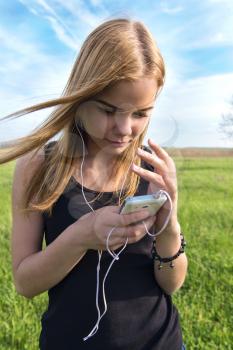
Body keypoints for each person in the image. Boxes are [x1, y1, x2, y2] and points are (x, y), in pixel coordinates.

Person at [0, 17, 188, 349]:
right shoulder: (38, 167)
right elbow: (25, 283)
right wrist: (82, 237)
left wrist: (169, 224)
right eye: (108, 109)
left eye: (141, 113)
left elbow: (171, 284)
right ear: (81, 95)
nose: (125, 129)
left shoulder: (151, 168)